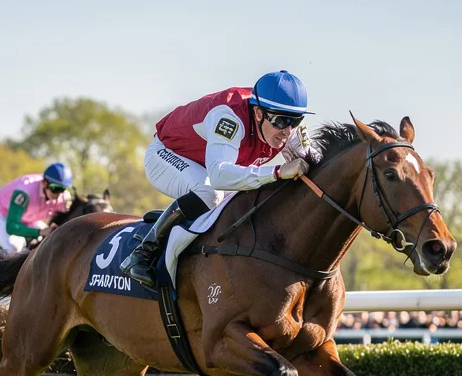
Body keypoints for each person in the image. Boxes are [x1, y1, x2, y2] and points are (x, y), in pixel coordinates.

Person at [120, 70, 316, 288]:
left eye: (295, 121)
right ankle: (144, 252)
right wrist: (277, 171)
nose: (287, 131)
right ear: (259, 113)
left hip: (206, 164)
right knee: (210, 193)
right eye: (281, 121)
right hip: (167, 154)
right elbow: (219, 176)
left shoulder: (282, 125)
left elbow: (315, 163)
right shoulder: (230, 118)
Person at [0, 163, 73, 254]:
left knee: (52, 238)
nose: (59, 194)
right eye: (55, 188)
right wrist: (40, 232)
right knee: (14, 248)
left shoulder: (64, 198)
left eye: (62, 189)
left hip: (28, 219)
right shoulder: (24, 192)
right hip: (1, 216)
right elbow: (12, 227)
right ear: (44, 183)